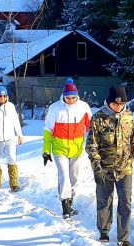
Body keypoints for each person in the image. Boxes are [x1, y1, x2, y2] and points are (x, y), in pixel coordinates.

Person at [86, 85, 134, 246]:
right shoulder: (98, 118)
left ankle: (123, 238)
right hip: (105, 167)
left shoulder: (129, 117)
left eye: (122, 103)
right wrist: (96, 167)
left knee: (125, 202)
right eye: (115, 104)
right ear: (109, 102)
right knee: (104, 201)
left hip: (125, 168)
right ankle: (104, 232)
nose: (118, 107)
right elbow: (91, 145)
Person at [42, 79, 92, 219]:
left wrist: (94, 144)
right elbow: (48, 130)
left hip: (76, 149)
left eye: (73, 97)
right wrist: (46, 150)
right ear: (63, 95)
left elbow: (91, 127)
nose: (70, 100)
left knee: (74, 178)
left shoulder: (83, 107)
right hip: (60, 149)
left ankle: (71, 201)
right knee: (64, 176)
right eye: (68, 97)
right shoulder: (55, 108)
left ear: (77, 96)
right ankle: (65, 207)